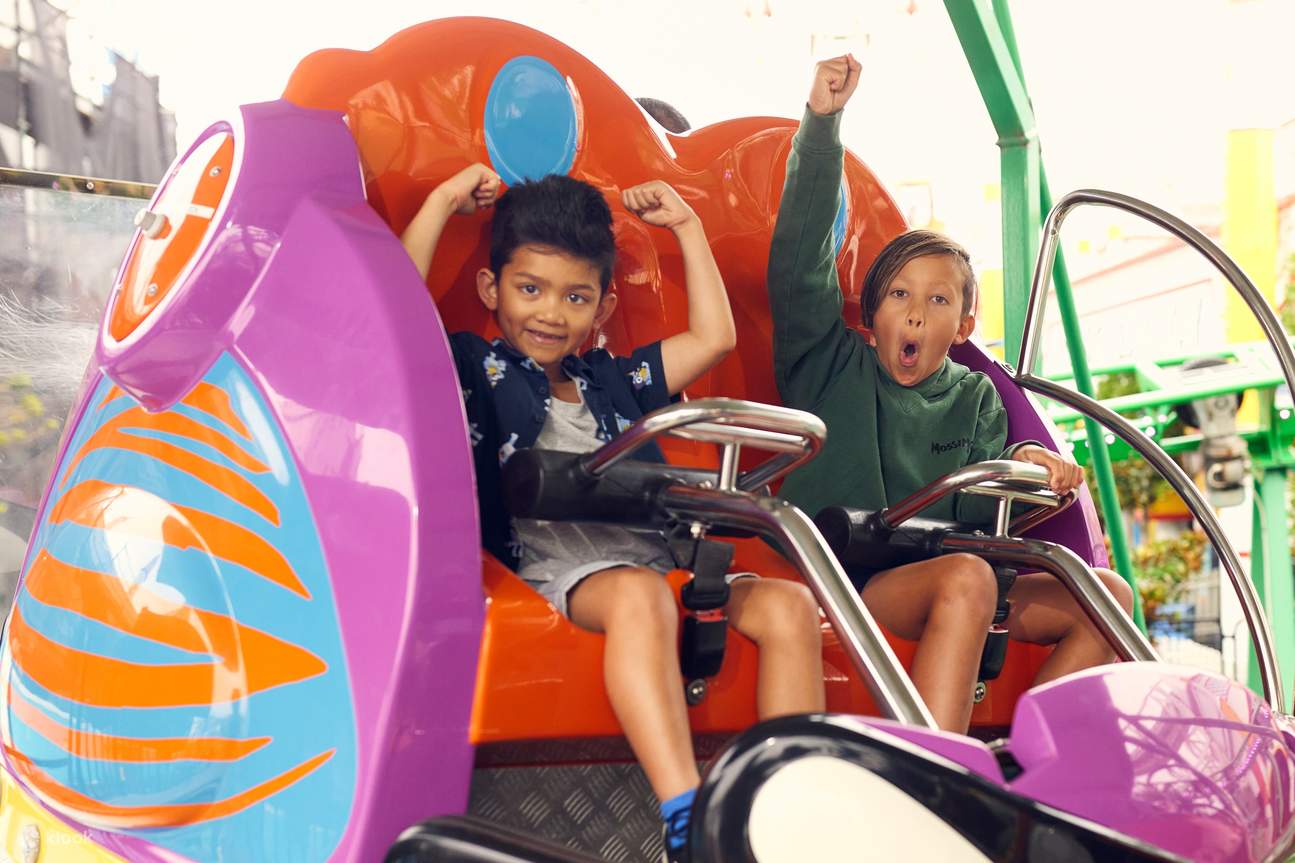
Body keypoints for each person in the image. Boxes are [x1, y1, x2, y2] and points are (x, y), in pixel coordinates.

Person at [402, 166, 825, 861]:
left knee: (786, 604)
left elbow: (713, 338)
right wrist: (441, 200)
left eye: (574, 296)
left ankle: (789, 811)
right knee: (638, 598)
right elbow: (397, 310)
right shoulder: (476, 366)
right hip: (556, 565)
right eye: (528, 288)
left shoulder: (612, 379)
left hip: (657, 558)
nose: (549, 312)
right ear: (491, 289)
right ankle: (688, 813)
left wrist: (686, 225)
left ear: (599, 308)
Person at [767, 55, 1134, 733]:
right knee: (966, 577)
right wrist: (821, 122)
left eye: (936, 301)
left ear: (962, 325)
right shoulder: (826, 363)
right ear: (870, 312)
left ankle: (1022, 759)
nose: (913, 314)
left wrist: (1031, 464)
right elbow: (798, 257)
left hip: (946, 570)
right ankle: (934, 772)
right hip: (851, 578)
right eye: (899, 296)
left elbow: (980, 501)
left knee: (1107, 595)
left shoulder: (974, 396)